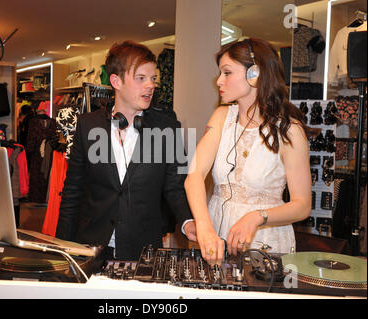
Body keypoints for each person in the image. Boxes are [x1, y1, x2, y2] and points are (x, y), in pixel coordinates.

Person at [56, 40, 196, 260]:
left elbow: (176, 187)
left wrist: (188, 221)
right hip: (90, 247)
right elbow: (72, 192)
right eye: (141, 78)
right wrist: (62, 248)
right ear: (116, 81)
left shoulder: (167, 127)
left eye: (153, 79)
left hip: (143, 250)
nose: (150, 85)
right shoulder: (87, 125)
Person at [184, 38, 311, 266]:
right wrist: (204, 226)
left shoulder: (290, 130)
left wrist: (257, 217)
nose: (219, 80)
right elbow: (193, 176)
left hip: (266, 243)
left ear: (255, 74)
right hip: (217, 235)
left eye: (227, 72)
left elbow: (302, 205)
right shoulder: (221, 118)